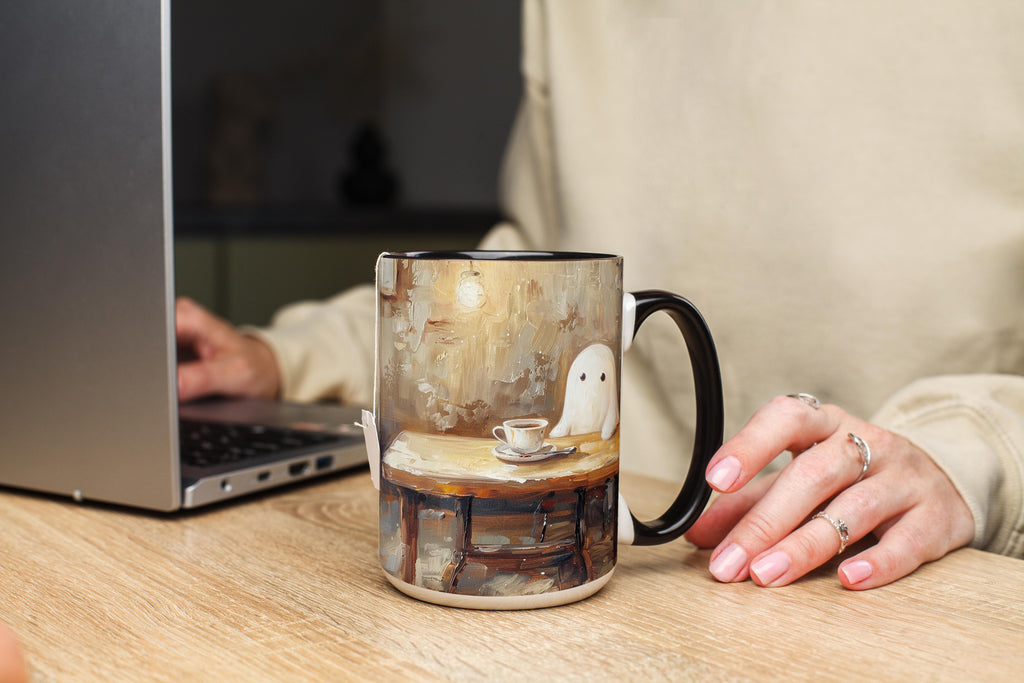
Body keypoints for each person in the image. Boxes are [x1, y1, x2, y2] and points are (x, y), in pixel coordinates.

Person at [177, 1, 1024, 590]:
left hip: (909, 588)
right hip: (641, 581)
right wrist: (287, 355)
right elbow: (525, 271)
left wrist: (975, 453)